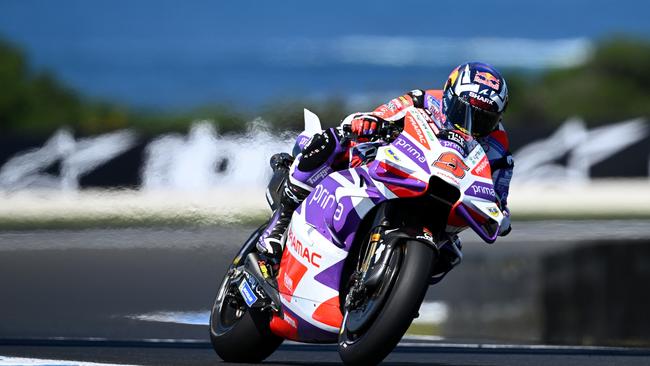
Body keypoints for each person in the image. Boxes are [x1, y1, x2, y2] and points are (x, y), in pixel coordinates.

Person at [257, 62, 514, 281]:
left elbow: (498, 196)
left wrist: (499, 214)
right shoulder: (424, 99)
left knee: (448, 257)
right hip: (393, 165)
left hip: (439, 198)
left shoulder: (499, 149)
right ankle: (281, 221)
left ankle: (388, 291)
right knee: (333, 140)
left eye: (484, 119)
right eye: (464, 111)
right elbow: (383, 113)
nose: (472, 124)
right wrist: (371, 123)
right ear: (449, 97)